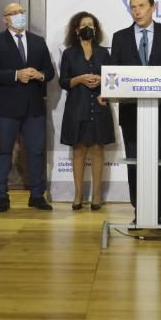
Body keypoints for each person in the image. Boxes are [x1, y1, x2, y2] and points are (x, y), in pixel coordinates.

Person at [110, 0, 161, 225]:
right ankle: (139, 211)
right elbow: (115, 73)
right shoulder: (120, 37)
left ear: (153, 7)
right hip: (131, 114)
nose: (137, 11)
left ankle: (159, 212)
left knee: (159, 161)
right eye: (133, 7)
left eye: (141, 6)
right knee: (135, 162)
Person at [0, 2, 56, 212]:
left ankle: (37, 195)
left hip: (33, 107)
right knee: (4, 151)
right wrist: (16, 75)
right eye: (13, 13)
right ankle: (1, 196)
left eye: (21, 12)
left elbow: (49, 72)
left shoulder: (37, 41)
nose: (18, 16)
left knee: (36, 152)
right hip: (6, 107)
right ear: (5, 19)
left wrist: (39, 75)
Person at [58, 11, 114, 210]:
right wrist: (80, 79)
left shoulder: (104, 53)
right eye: (83, 25)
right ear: (76, 29)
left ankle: (97, 196)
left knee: (98, 149)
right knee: (79, 150)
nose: (87, 28)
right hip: (77, 107)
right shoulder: (69, 53)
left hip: (99, 105)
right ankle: (78, 195)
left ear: (95, 29)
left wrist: (102, 80)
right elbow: (63, 81)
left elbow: (113, 79)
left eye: (91, 25)